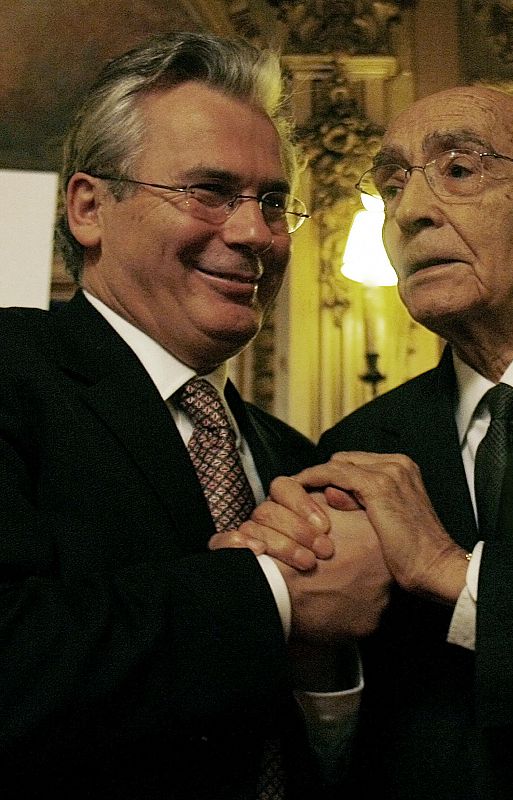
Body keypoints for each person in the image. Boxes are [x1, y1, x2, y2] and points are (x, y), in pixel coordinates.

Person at [0, 31, 391, 799]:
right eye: (208, 192)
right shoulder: (14, 374)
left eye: (273, 202)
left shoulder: (290, 457)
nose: (253, 234)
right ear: (88, 208)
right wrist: (275, 593)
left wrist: (322, 662)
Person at [229, 86, 513, 799]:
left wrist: (453, 571)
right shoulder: (356, 445)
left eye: (458, 169)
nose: (410, 212)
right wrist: (312, 649)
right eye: (390, 187)